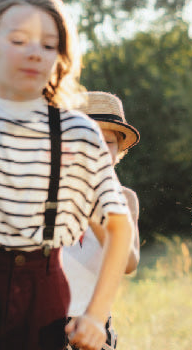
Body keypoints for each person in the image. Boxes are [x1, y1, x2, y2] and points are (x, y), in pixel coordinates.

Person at [0, 0, 133, 350]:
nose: (35, 52)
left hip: (43, 292)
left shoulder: (78, 133)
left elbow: (119, 227)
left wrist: (96, 314)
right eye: (19, 40)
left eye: (49, 45)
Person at [63, 90, 141, 349]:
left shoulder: (125, 199)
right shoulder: (50, 195)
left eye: (106, 142)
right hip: (46, 319)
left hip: (94, 322)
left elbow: (128, 264)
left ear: (119, 152)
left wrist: (95, 211)